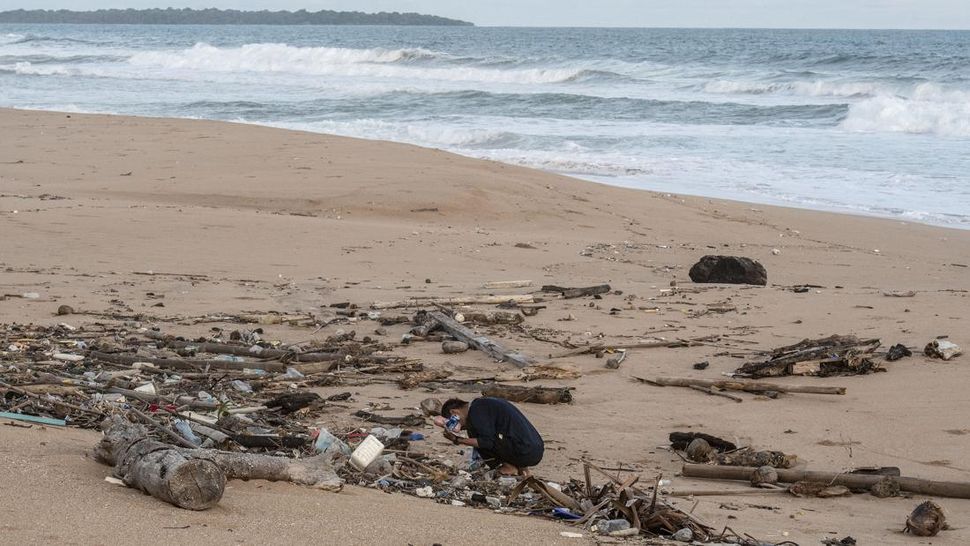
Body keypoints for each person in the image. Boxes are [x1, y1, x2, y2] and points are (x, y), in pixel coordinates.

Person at [436, 397, 544, 476]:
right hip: (534, 449)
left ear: (454, 412)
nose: (462, 428)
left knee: (477, 435)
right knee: (485, 433)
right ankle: (522, 469)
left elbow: (487, 442)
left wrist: (457, 439)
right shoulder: (484, 404)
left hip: (524, 450)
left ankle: (509, 467)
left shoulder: (476, 411)